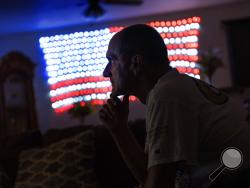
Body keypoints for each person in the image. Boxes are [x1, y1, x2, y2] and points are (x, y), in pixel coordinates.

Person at [98, 24, 250, 188]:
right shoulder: (170, 88)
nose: (106, 72)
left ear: (136, 63)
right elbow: (150, 177)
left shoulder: (167, 94)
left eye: (111, 60)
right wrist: (119, 129)